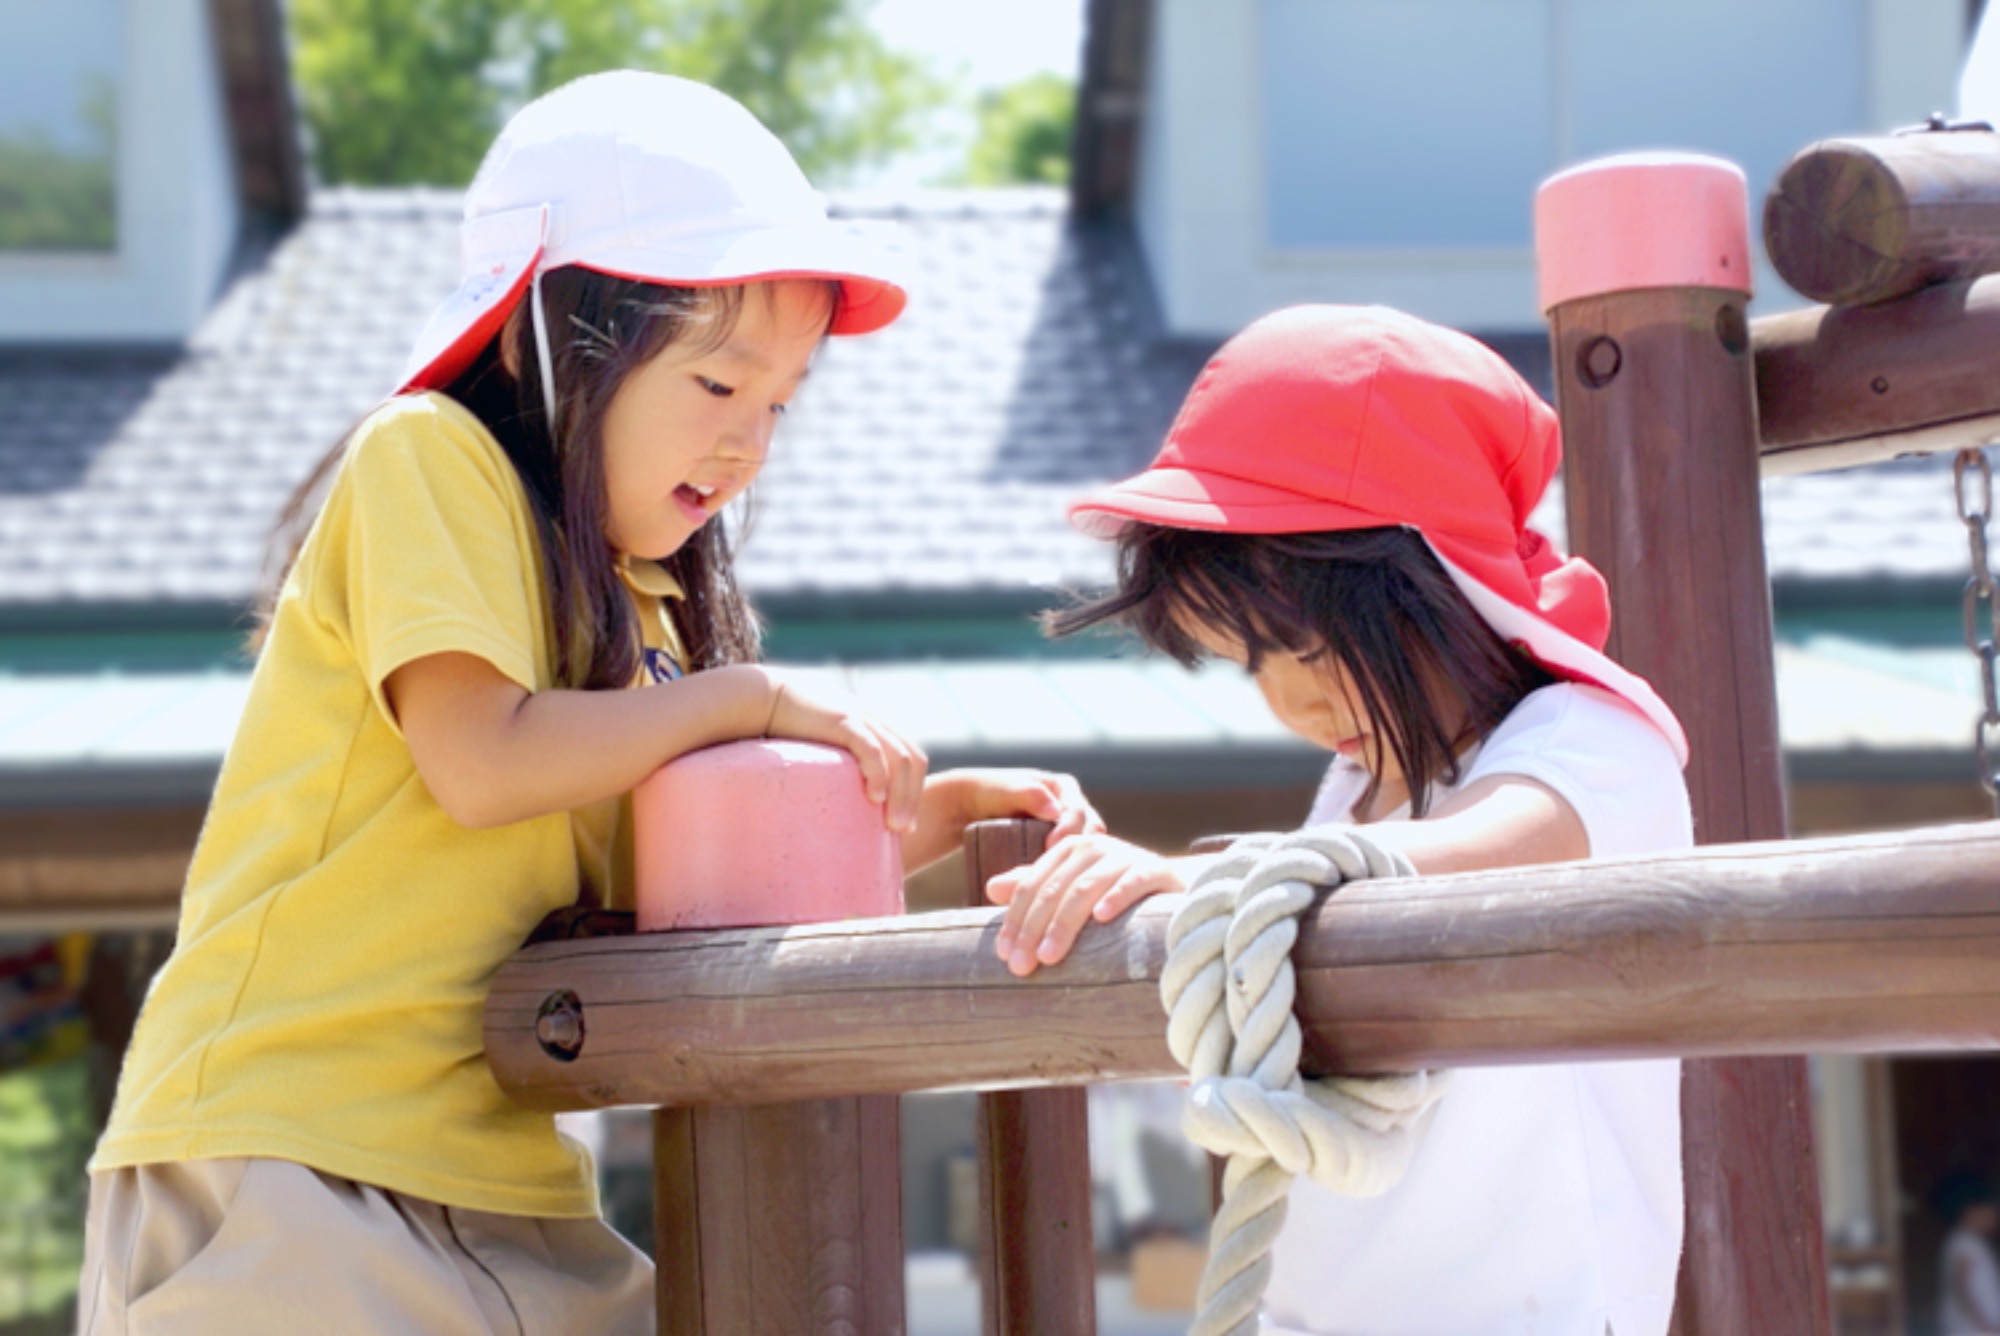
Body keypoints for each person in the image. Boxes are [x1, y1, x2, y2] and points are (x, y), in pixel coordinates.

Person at [76, 72, 1096, 1335]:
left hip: (500, 1174)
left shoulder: (650, 612)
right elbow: (485, 760)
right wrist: (749, 698)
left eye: (779, 404)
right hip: (293, 1148)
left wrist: (942, 811)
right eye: (717, 387)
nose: (748, 446)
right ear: (539, 339)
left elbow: (704, 859)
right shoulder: (427, 457)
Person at [986, 304, 1694, 1334]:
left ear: (1425, 586)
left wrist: (1201, 878)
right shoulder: (1361, 784)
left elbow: (1477, 858)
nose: (1288, 705)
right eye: (1248, 665)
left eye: (1303, 650)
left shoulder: (1586, 742)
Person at [1937, 1171, 2000, 1334]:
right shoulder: (1964, 1243)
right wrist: (1981, 1321)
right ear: (1970, 1213)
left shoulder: (1972, 1241)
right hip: (1970, 1327)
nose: (1994, 1219)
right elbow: (1961, 1285)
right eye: (1990, 1213)